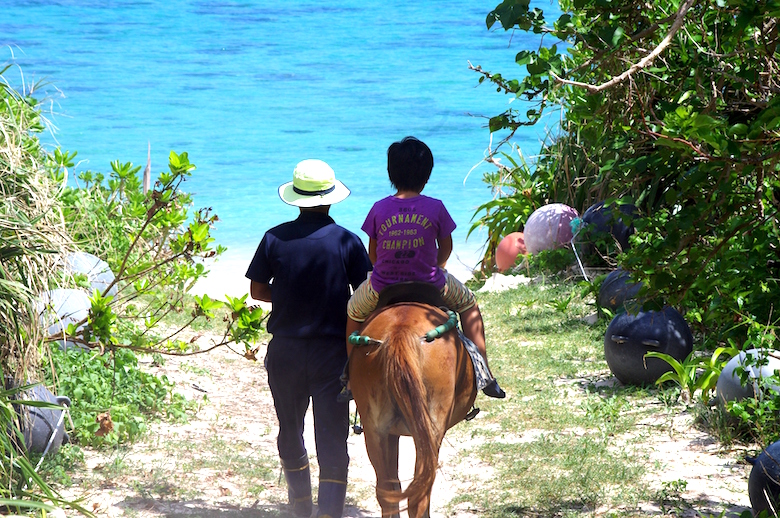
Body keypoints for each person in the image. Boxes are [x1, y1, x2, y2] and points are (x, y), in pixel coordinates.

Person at [246, 159, 373, 518]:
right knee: (332, 437)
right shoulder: (347, 241)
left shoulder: (274, 237)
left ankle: (300, 506)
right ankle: (330, 513)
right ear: (331, 199)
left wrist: (288, 295)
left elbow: (257, 290)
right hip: (332, 354)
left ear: (295, 198)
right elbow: (366, 293)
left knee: (289, 429)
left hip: (285, 350)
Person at [345, 136, 505, 399]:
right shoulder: (436, 207)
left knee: (352, 311)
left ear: (391, 174)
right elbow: (446, 248)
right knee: (469, 305)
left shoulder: (378, 208)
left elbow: (373, 253)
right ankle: (484, 372)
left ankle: (350, 378)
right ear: (427, 176)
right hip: (431, 284)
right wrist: (436, 266)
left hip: (383, 286)